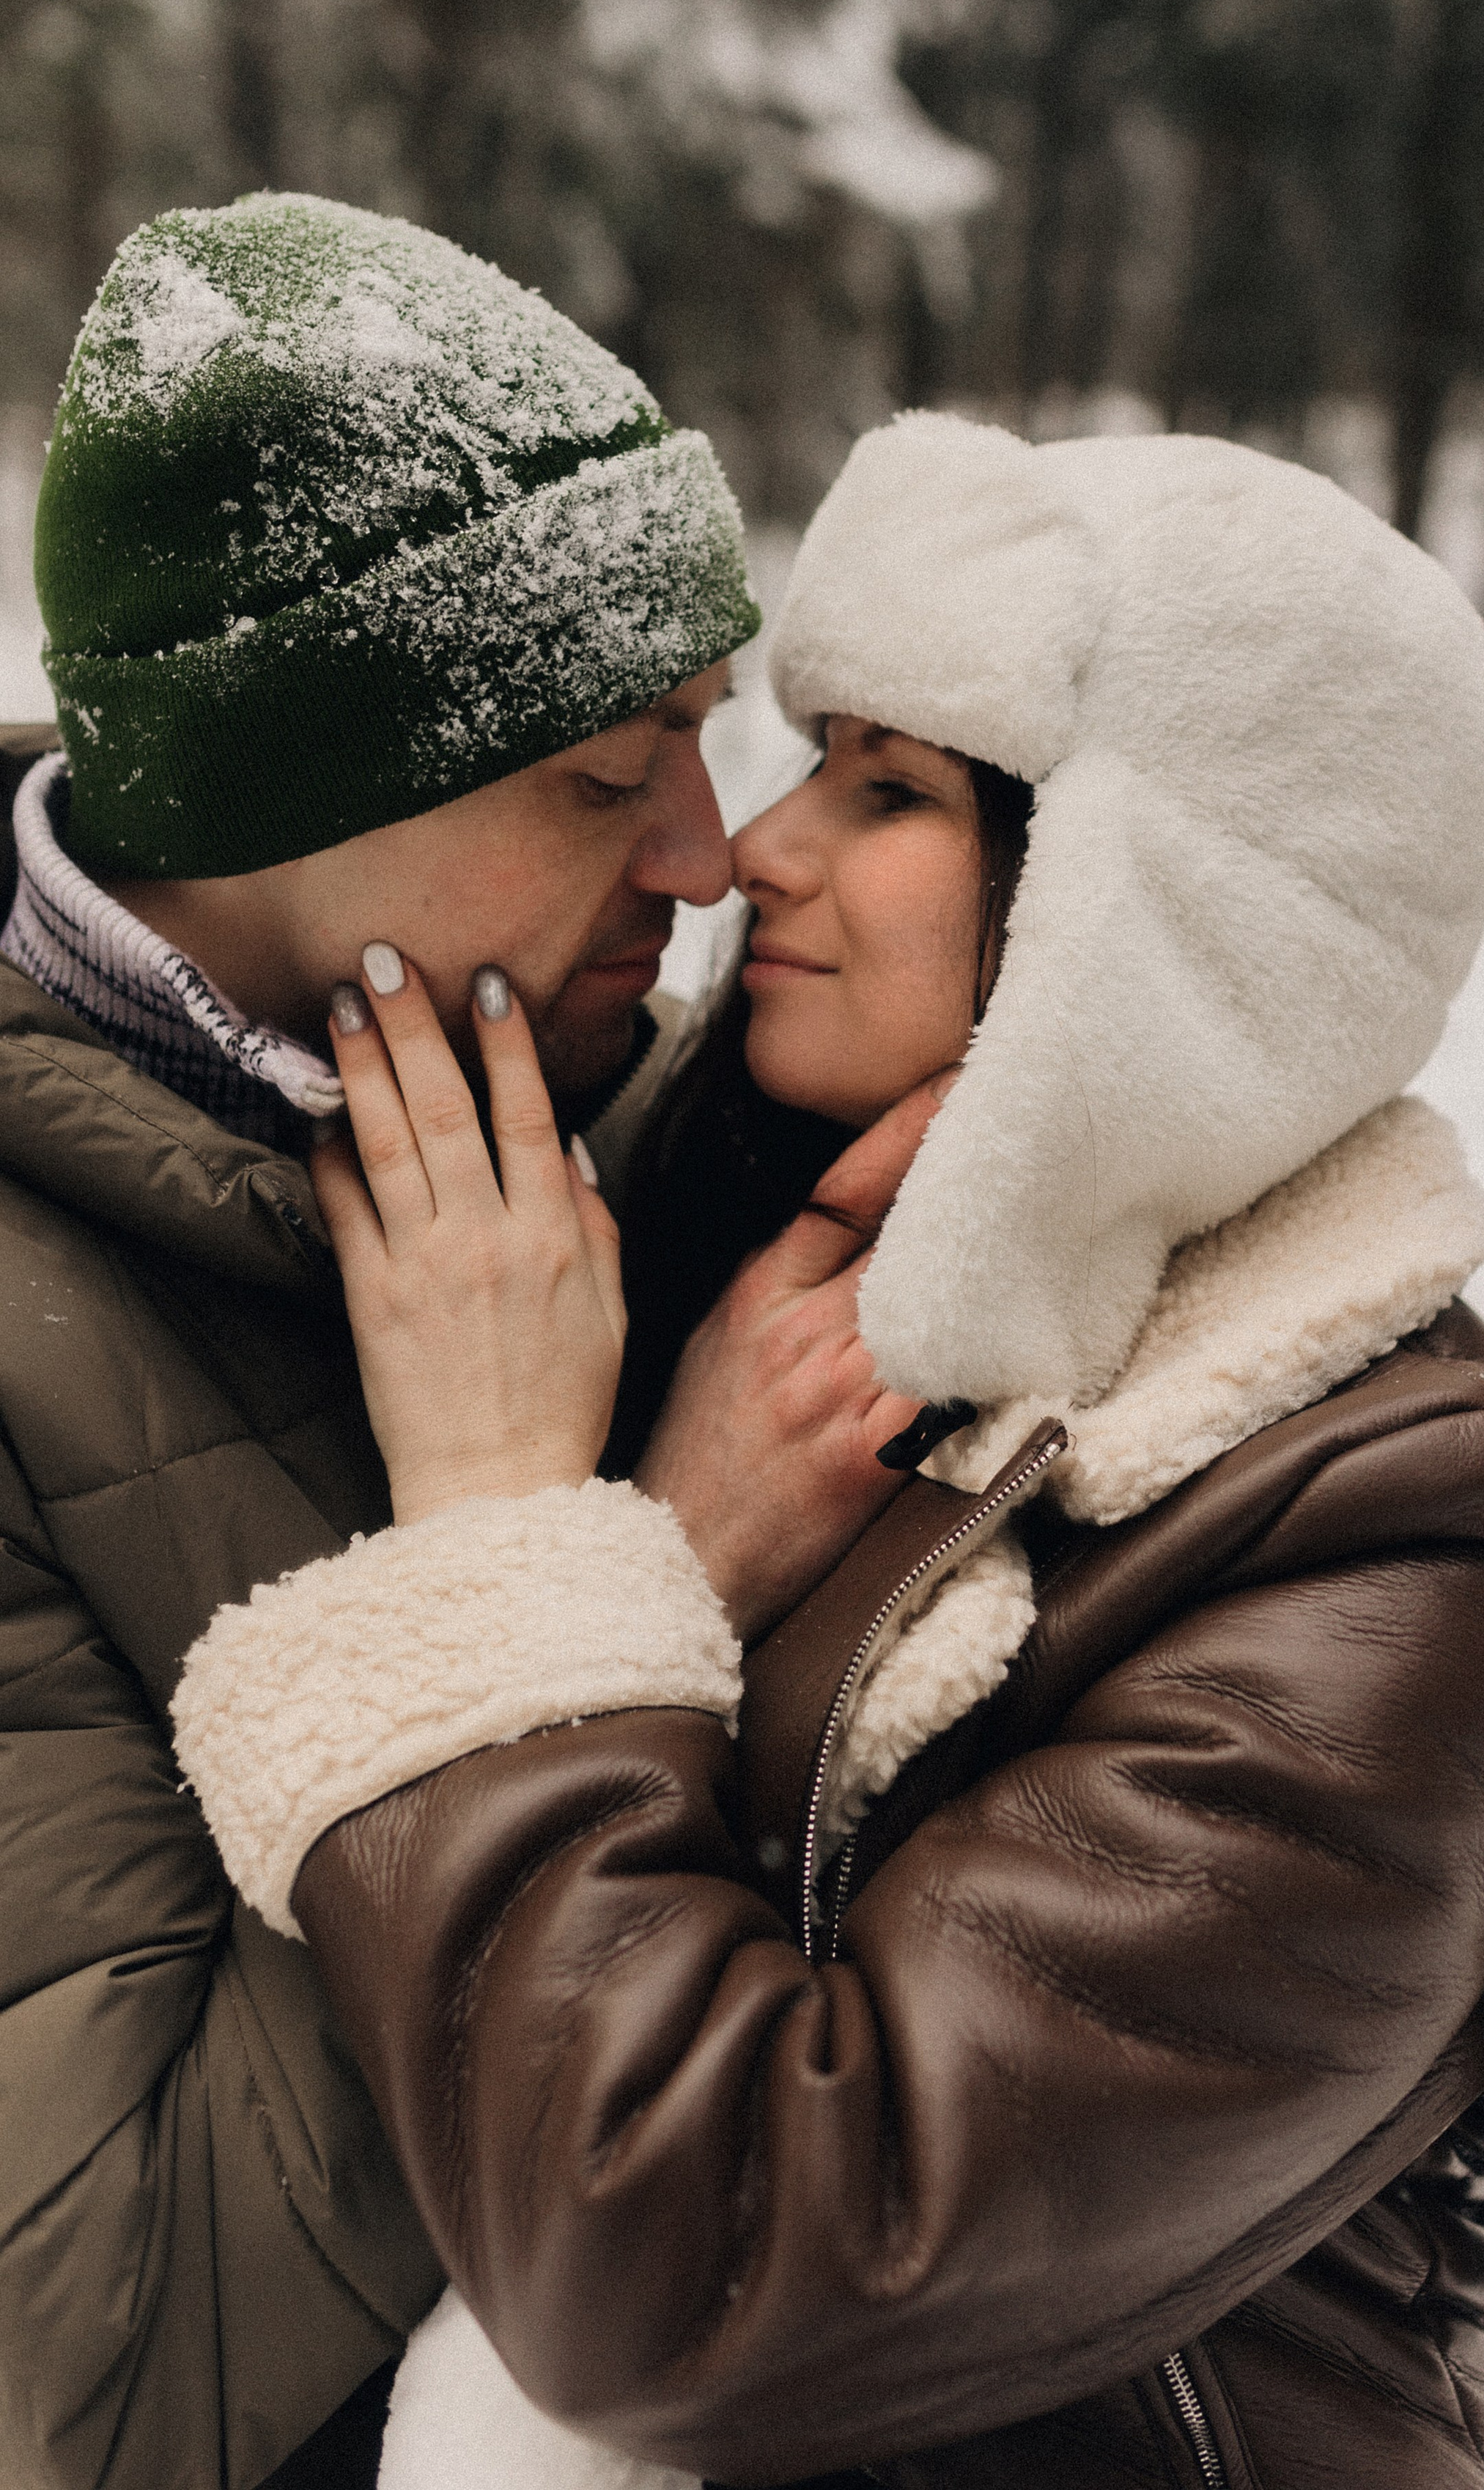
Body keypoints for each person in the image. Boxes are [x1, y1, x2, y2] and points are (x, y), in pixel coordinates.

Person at [172, 415, 1484, 2490]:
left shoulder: (1412, 1579)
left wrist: (518, 1540)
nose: (758, 846)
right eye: (807, 755)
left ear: (1157, 912)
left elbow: (713, 2276)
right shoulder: (737, 1256)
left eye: (891, 788)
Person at [0, 191, 902, 2490]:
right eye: (609, 778)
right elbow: (100, 2374)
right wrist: (602, 1572)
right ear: (299, 797)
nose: (708, 862)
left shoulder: (540, 1087)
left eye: (705, 745)